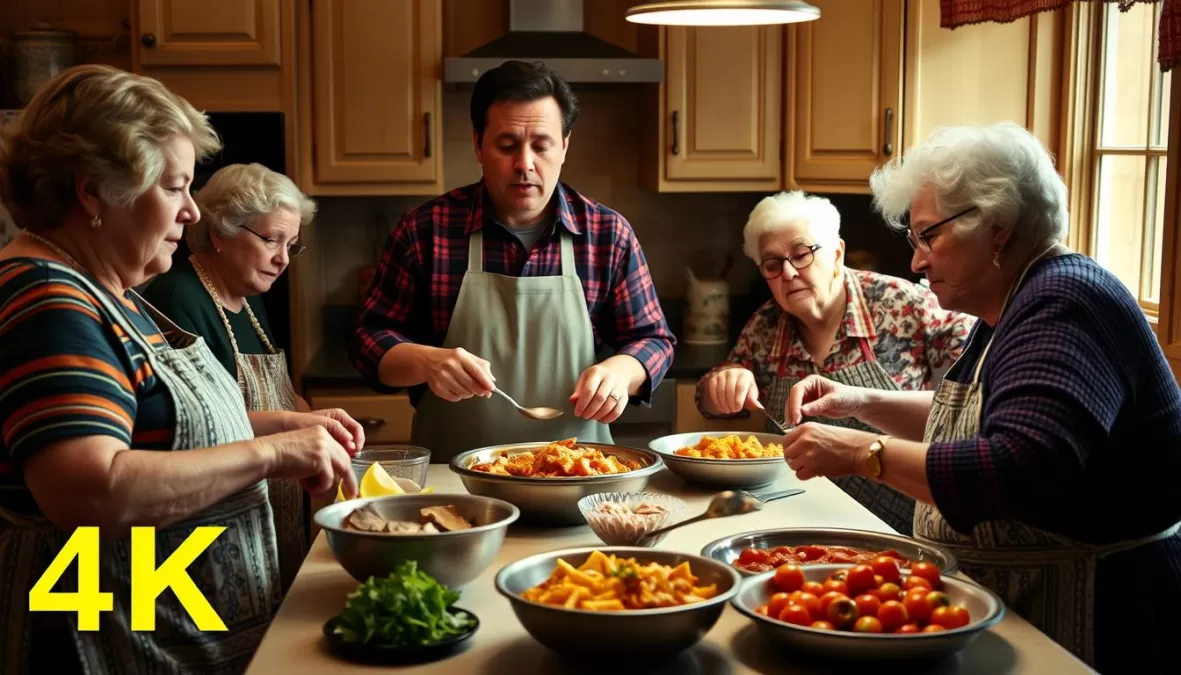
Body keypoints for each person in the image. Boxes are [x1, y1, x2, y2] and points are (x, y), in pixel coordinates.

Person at [0, 64, 363, 674]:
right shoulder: (46, 296)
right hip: (107, 642)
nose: (193, 213)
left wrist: (275, 427)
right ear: (94, 190)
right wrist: (272, 457)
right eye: (174, 188)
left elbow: (151, 429)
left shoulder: (107, 287)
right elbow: (91, 491)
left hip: (175, 635)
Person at [780, 122, 1181, 671]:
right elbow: (979, 421)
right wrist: (860, 402)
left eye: (929, 236)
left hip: (1098, 616)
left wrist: (858, 454)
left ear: (998, 228)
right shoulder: (1012, 300)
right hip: (1030, 600)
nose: (917, 261)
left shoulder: (1064, 305)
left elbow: (1016, 470)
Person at [350, 59, 675, 462]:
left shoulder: (608, 235)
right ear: (478, 145)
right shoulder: (425, 232)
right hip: (455, 481)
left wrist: (621, 373)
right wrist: (426, 362)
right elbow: (367, 340)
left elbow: (654, 340)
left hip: (577, 474)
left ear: (565, 147)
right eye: (507, 146)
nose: (525, 164)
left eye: (541, 145)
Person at [696, 190, 972, 535]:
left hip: (901, 524)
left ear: (837, 253)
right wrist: (722, 380)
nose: (788, 272)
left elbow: (978, 370)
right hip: (796, 524)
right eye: (772, 264)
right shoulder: (763, 328)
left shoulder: (903, 303)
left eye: (802, 254)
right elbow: (709, 402)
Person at [141, 162, 317, 597]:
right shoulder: (179, 296)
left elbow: (278, 395)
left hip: (272, 497)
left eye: (291, 245)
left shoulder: (249, 299)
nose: (281, 258)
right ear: (219, 232)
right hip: (214, 519)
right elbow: (200, 421)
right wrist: (295, 431)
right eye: (272, 239)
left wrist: (314, 419)